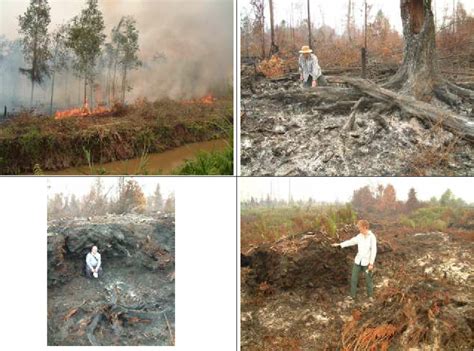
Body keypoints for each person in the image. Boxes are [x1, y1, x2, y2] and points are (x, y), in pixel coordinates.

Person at [332, 220, 377, 302]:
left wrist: (371, 263)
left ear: (364, 227)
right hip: (358, 261)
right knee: (354, 278)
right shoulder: (359, 236)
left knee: (368, 279)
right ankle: (352, 296)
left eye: (359, 227)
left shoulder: (372, 237)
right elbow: (351, 242)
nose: (358, 229)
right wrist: (340, 245)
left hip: (367, 263)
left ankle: (370, 296)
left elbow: (374, 250)